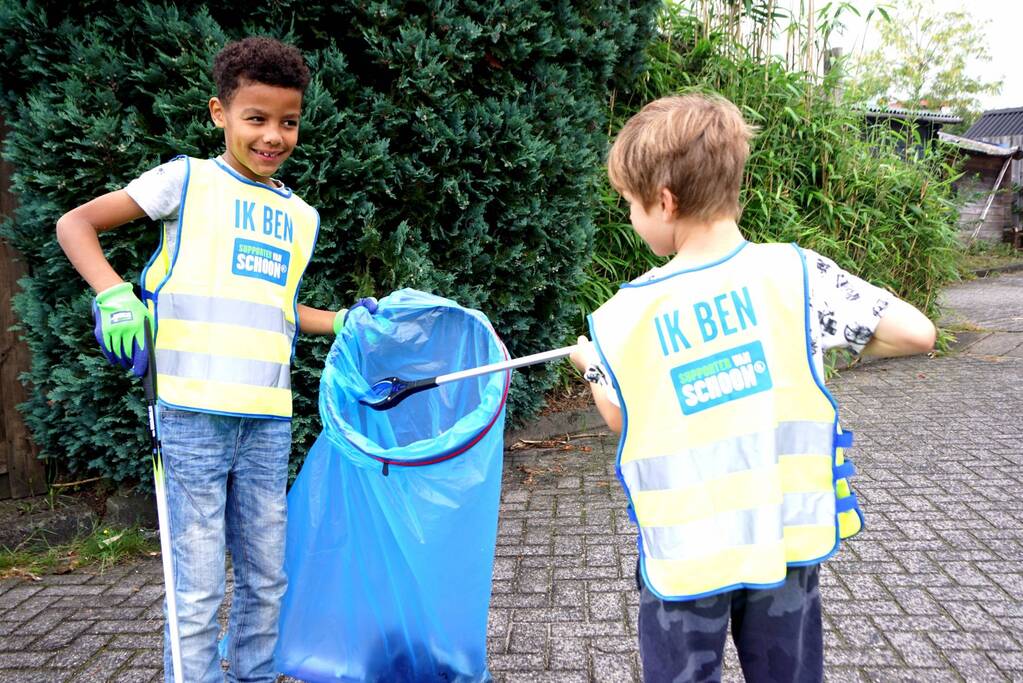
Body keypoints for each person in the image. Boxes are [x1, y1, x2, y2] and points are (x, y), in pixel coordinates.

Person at [570, 93, 936, 682]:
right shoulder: (796, 274)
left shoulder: (624, 314)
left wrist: (590, 365)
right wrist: (834, 341)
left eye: (630, 205)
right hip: (783, 543)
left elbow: (619, 418)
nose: (631, 219)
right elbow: (919, 333)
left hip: (687, 562)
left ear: (664, 202)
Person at [56, 36, 374, 683]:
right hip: (191, 415)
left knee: (267, 575)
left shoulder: (301, 216)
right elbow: (75, 223)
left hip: (266, 418)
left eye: (288, 121)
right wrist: (114, 293)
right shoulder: (187, 181)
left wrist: (340, 319)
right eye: (255, 118)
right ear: (218, 113)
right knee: (197, 584)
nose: (273, 135)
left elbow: (281, 309)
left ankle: (253, 673)